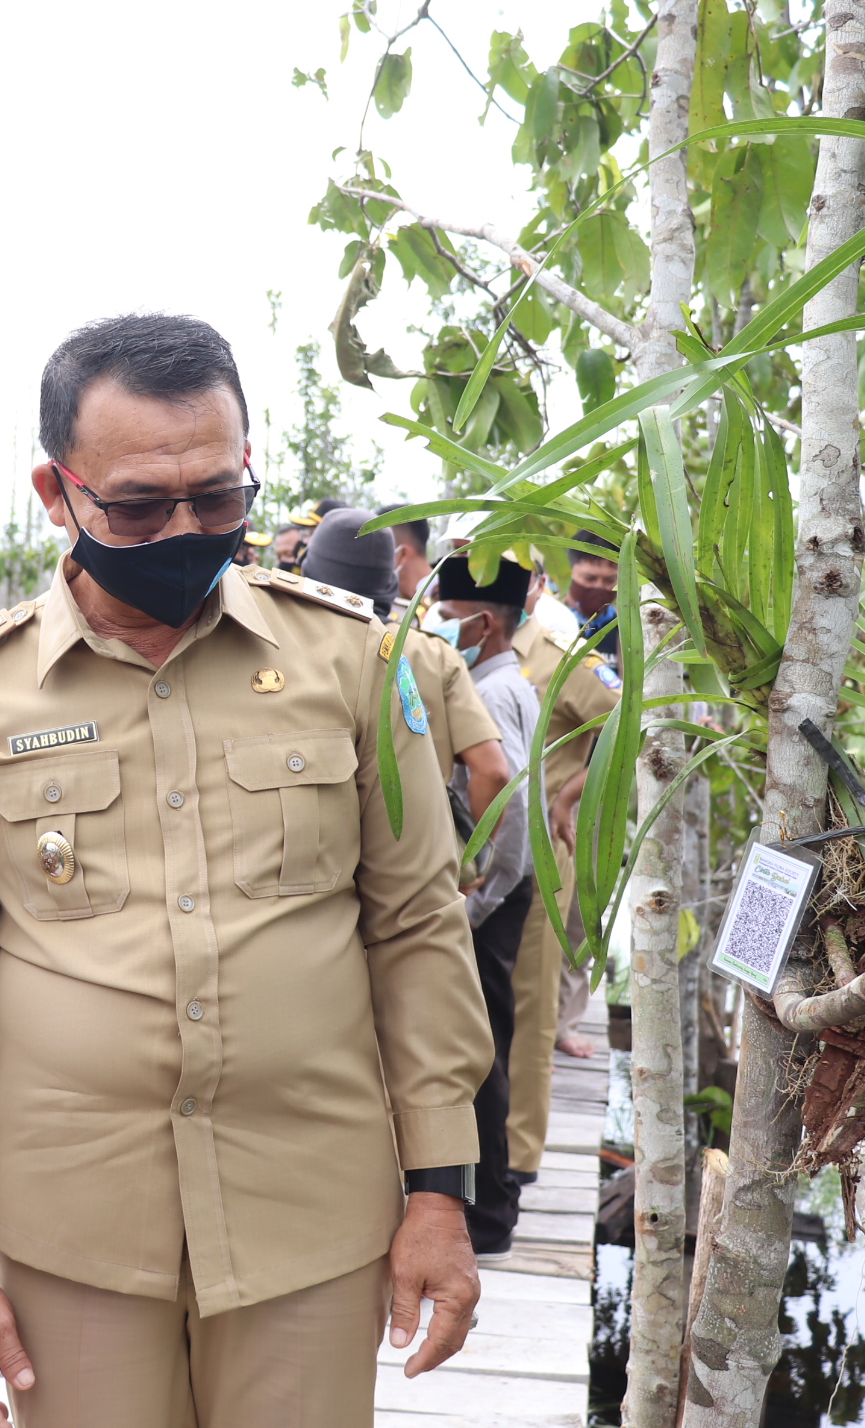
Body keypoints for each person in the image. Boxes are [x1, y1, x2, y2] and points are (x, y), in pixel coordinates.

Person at [0, 314, 492, 1428]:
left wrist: (440, 1191)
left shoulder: (353, 661)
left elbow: (415, 927)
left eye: (217, 497)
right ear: (56, 490)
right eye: (140, 504)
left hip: (311, 1210)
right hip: (75, 1229)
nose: (184, 527)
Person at [427, 556, 539, 1264]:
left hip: (488, 895)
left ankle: (490, 1215)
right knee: (487, 1043)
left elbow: (511, 804)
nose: (432, 623)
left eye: (441, 612)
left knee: (480, 1054)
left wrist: (479, 898)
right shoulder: (505, 679)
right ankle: (491, 1203)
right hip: (499, 890)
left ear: (482, 622)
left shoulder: (488, 694)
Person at [503, 570, 623, 1180]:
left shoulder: (560, 654)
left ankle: (518, 1162)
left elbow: (625, 719)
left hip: (544, 851)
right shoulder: (452, 640)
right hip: (481, 855)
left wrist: (568, 797)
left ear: (536, 582)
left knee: (533, 1002)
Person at [301, 508, 509, 854]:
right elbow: (494, 772)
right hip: (415, 859)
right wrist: (472, 856)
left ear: (308, 574)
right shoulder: (434, 655)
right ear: (390, 576)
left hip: (317, 861)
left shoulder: (277, 645)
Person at [563, 530, 621, 668]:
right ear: (568, 572)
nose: (599, 587)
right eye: (590, 578)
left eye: (610, 580)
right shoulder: (549, 622)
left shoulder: (627, 631)